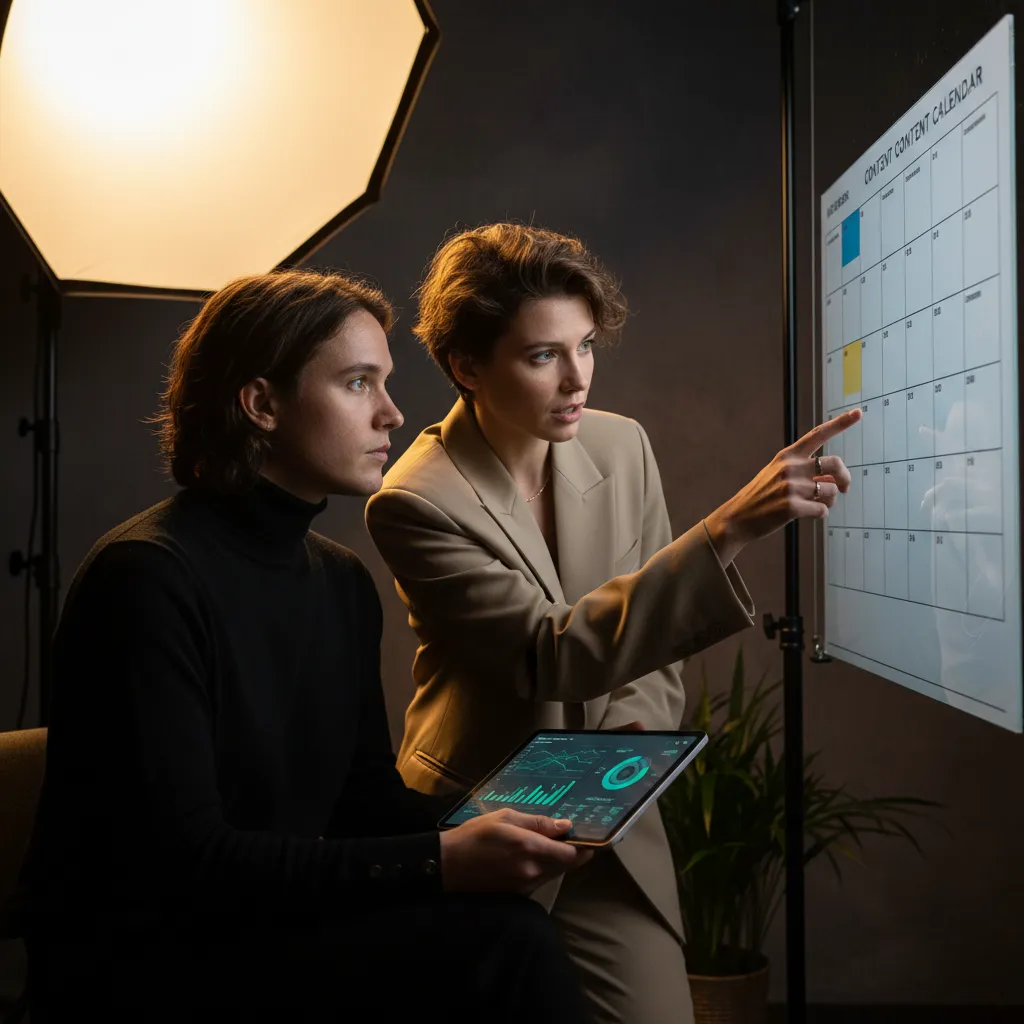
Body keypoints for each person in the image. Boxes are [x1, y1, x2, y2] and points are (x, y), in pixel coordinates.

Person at [21, 269, 597, 1022]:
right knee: (505, 943)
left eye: (385, 382)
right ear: (261, 404)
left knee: (508, 931)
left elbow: (364, 800)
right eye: (359, 383)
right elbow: (189, 864)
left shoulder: (339, 581)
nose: (393, 414)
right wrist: (439, 861)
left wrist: (506, 819)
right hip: (154, 964)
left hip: (266, 928)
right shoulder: (145, 577)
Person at [364, 223, 860, 1024]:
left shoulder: (621, 445)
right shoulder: (416, 500)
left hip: (611, 817)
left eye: (586, 345)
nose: (577, 379)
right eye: (541, 356)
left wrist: (636, 740)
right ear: (466, 367)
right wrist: (728, 527)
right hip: (487, 818)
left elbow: (654, 646)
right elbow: (547, 654)